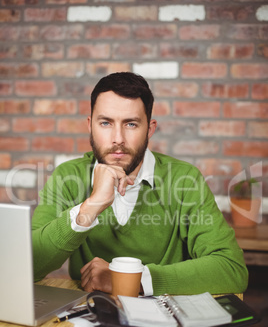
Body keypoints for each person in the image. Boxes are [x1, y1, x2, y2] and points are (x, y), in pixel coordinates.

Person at [32, 72, 248, 296]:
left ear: (150, 129)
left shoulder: (185, 179)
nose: (118, 138)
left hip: (166, 318)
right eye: (105, 123)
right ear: (90, 126)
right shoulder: (68, 177)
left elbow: (232, 269)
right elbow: (28, 266)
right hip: (88, 315)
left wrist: (130, 280)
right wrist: (91, 206)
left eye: (131, 124)